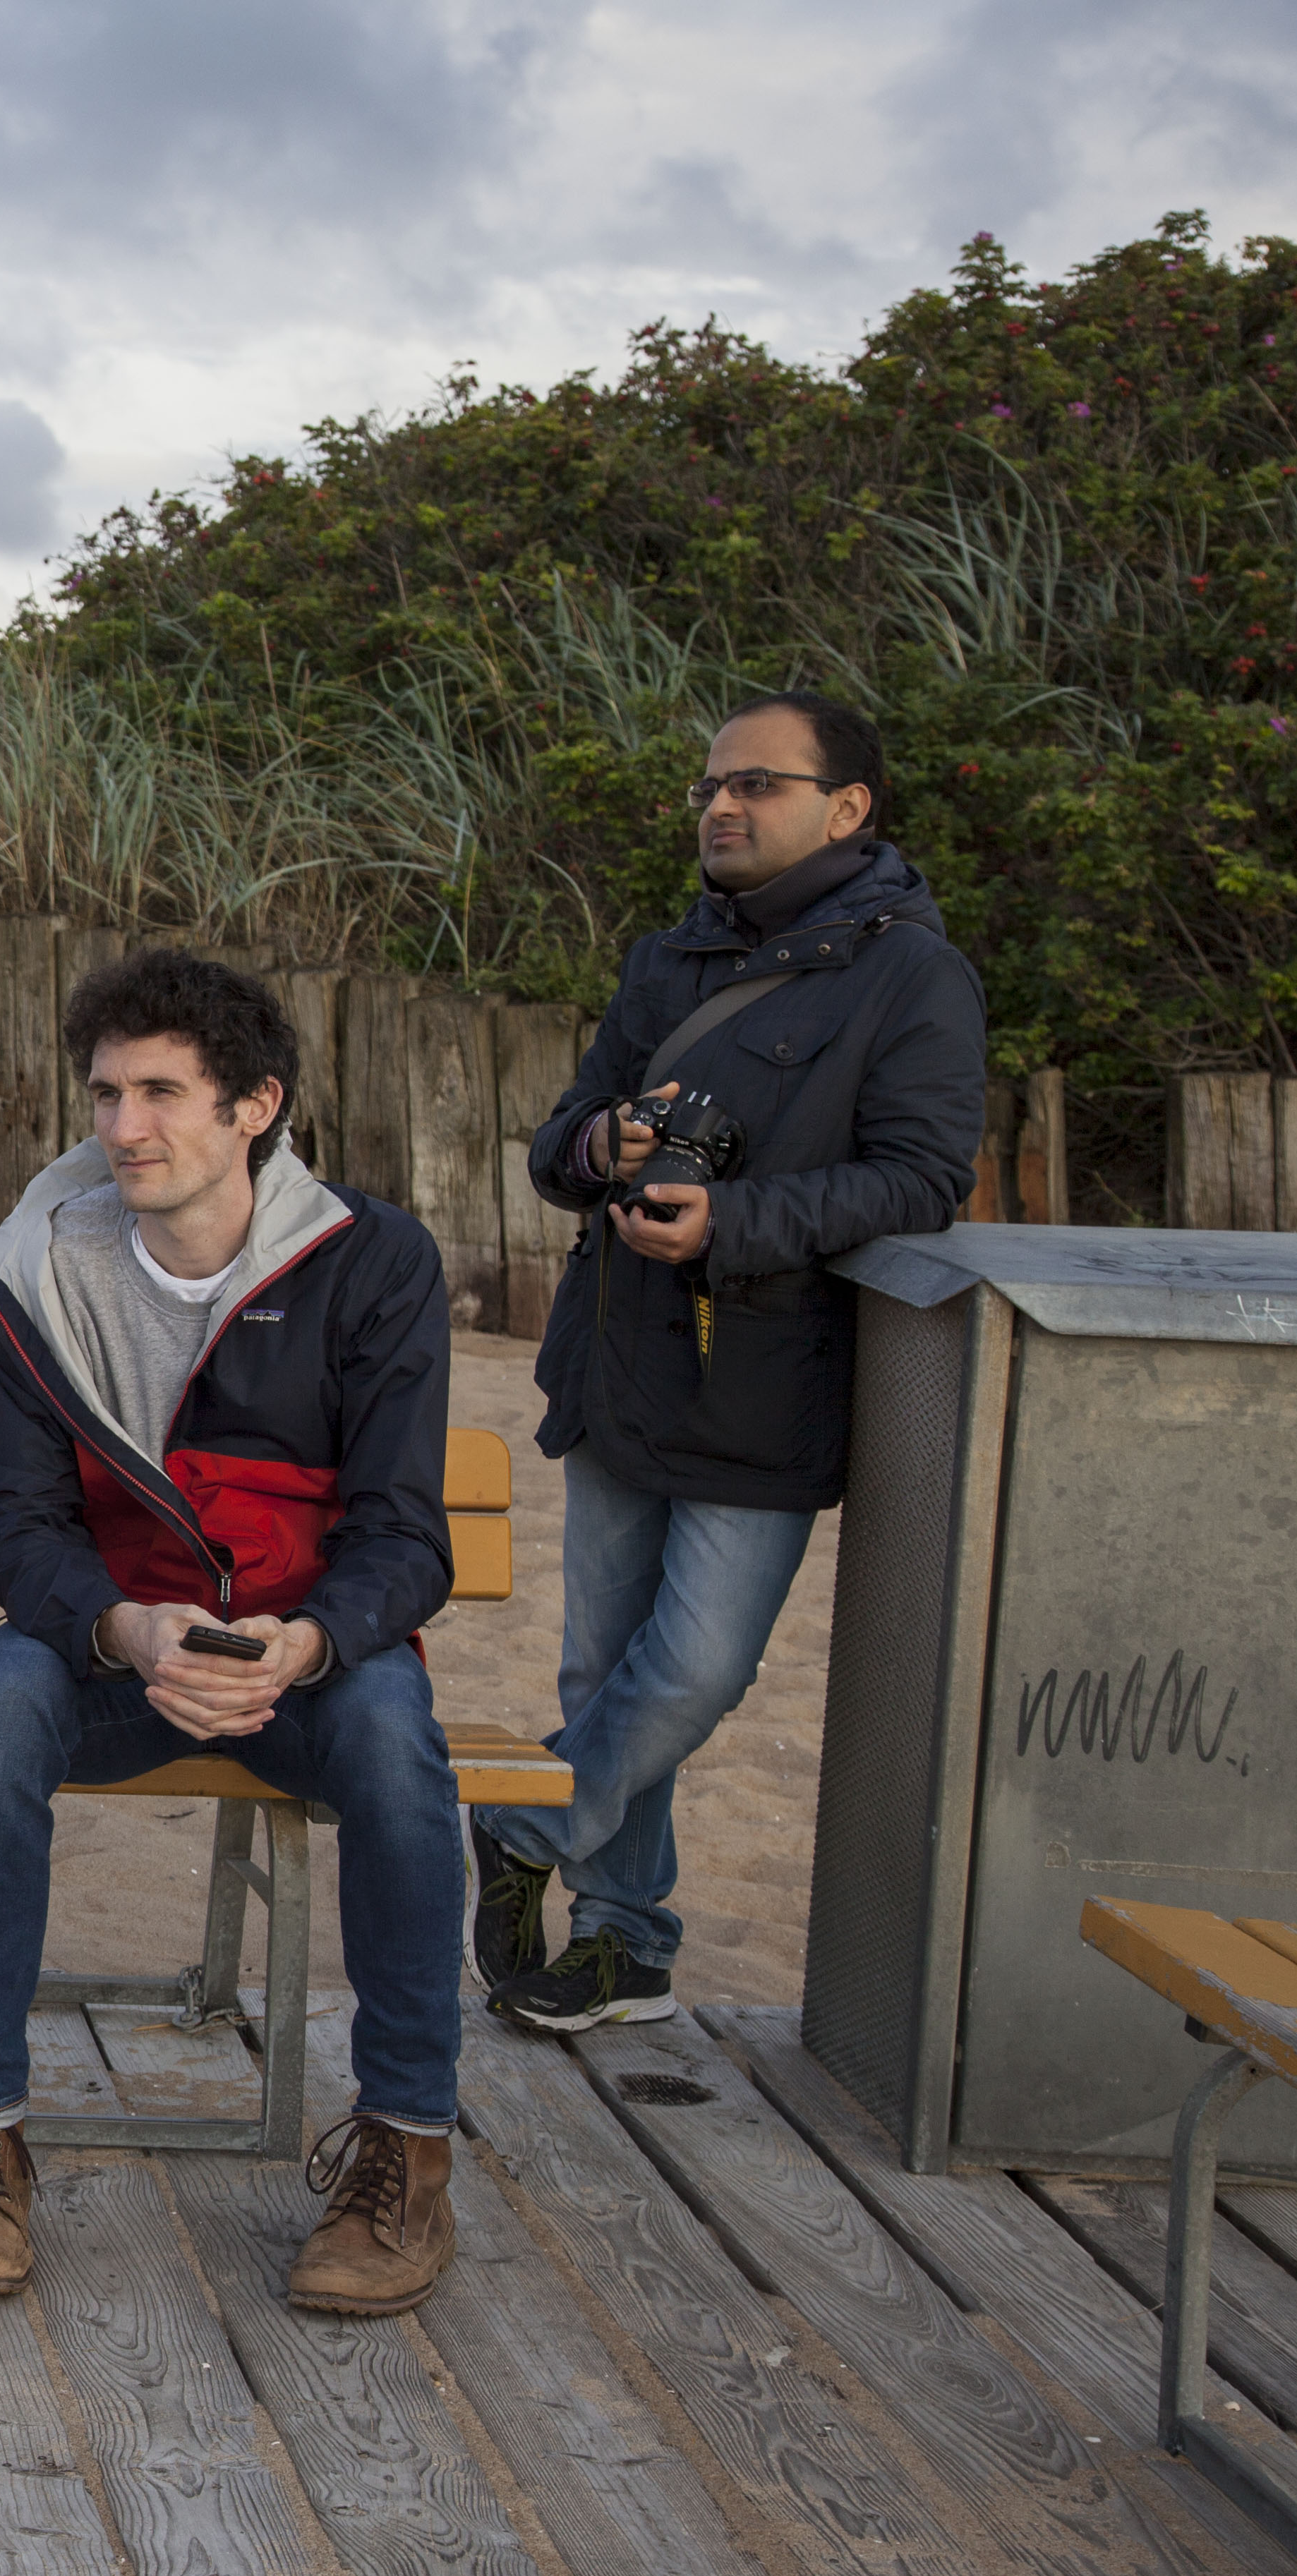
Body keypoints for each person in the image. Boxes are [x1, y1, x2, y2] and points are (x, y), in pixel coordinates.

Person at [0, 950, 465, 2314]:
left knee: (400, 1746)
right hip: (117, 1642)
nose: (122, 1129)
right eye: (105, 1093)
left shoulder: (371, 1260)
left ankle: (406, 2147)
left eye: (163, 1092)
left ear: (255, 1107)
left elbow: (405, 1533)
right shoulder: (39, 1269)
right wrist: (122, 1630)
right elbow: (19, 1526)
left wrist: (314, 1645)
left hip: (305, 1655)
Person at [474, 692, 983, 2033]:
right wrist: (609, 1152)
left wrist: (733, 1223)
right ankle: (629, 1944)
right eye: (713, 785)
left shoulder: (915, 976)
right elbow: (560, 1142)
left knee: (695, 1668)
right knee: (601, 1672)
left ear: (848, 806)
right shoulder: (669, 960)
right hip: (620, 1355)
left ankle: (525, 1827)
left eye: (759, 783)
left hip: (774, 1373)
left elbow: (925, 1181)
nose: (723, 806)